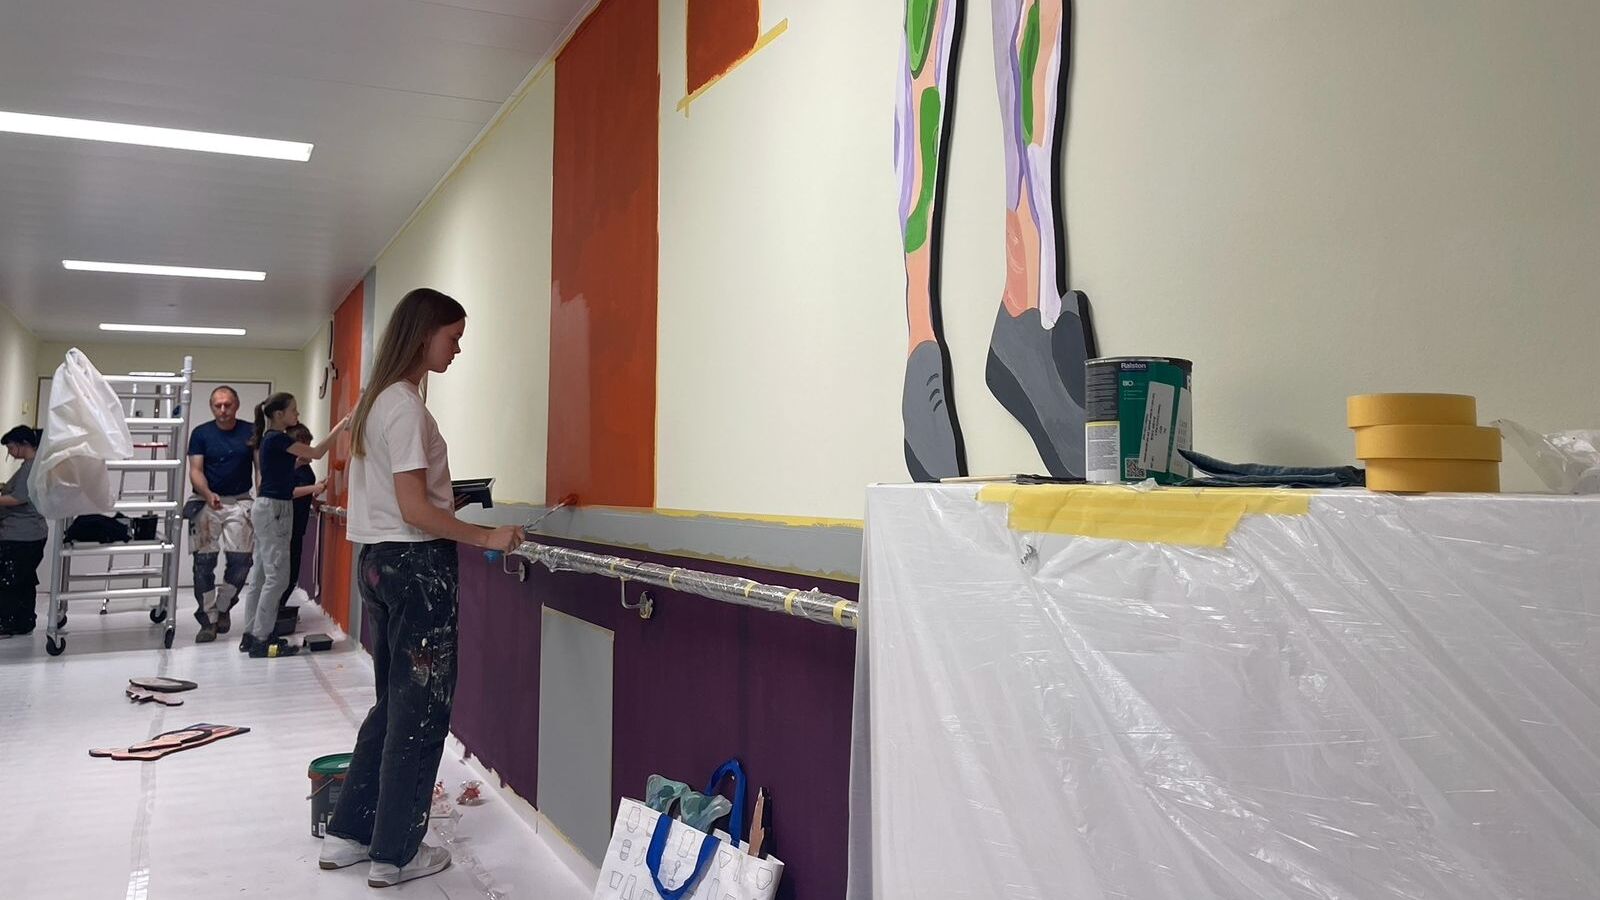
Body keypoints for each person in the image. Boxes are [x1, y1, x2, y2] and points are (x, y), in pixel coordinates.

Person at [318, 288, 523, 888]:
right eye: (452, 338)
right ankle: (397, 854)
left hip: (378, 562)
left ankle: (350, 833)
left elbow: (401, 500)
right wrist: (486, 535)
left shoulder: (375, 402)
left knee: (393, 704)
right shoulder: (405, 406)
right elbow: (413, 511)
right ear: (424, 333)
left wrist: (446, 498)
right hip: (416, 569)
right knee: (420, 712)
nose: (457, 349)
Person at [235, 394, 346, 655]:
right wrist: (342, 425)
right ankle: (262, 638)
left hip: (266, 507)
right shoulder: (278, 438)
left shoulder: (270, 440)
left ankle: (252, 634)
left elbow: (283, 468)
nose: (297, 414)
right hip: (275, 509)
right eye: (293, 410)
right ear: (278, 415)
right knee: (277, 578)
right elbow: (317, 452)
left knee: (261, 576)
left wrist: (296, 463)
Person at [187, 386, 256, 643]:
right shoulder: (201, 433)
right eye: (218, 405)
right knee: (203, 563)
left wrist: (262, 500)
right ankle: (208, 620)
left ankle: (223, 606)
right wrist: (207, 493)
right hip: (206, 502)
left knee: (241, 561)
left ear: (236, 405)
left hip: (240, 501)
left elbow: (259, 467)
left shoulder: (251, 431)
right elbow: (195, 469)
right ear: (212, 407)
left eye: (228, 404)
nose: (223, 410)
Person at [0, 426, 47, 637]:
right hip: (30, 534)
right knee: (24, 578)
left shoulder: (30, 468)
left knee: (10, 580)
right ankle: (24, 621)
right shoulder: (33, 466)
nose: (10, 453)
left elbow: (18, 499)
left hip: (21, 535)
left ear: (24, 444)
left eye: (11, 448)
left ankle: (6, 622)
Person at [277, 423, 328, 613]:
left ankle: (278, 609)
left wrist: (314, 500)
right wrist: (314, 488)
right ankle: (273, 611)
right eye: (304, 445)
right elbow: (286, 491)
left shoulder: (305, 468)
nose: (308, 450)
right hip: (283, 525)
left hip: (298, 524)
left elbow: (302, 490)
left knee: (292, 572)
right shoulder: (283, 466)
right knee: (281, 572)